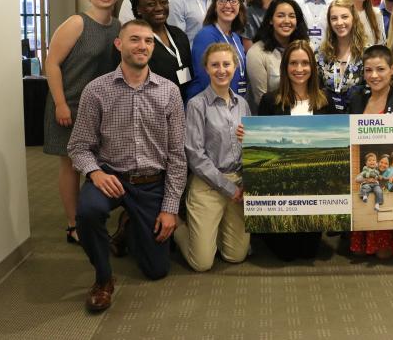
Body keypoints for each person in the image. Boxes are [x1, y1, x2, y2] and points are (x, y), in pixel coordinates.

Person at [68, 20, 186, 312]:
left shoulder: (169, 92)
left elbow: (177, 155)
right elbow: (78, 146)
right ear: (119, 44)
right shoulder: (96, 91)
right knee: (88, 211)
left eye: (148, 41)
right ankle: (103, 279)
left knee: (156, 270)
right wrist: (94, 173)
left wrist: (170, 208)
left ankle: (129, 225)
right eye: (134, 40)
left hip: (151, 183)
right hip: (112, 177)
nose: (142, 46)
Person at [43, 0, 121, 245]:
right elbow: (51, 64)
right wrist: (61, 103)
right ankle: (73, 225)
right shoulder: (77, 23)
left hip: (97, 106)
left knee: (92, 162)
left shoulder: (116, 26)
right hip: (69, 103)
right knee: (71, 165)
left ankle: (89, 218)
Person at [174, 43, 251, 272]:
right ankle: (180, 227)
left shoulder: (243, 104)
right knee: (202, 263)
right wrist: (228, 188)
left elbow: (252, 149)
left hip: (238, 182)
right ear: (206, 69)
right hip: (208, 183)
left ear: (235, 67)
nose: (221, 70)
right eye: (215, 65)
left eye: (226, 64)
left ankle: (212, 233)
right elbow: (195, 156)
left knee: (236, 256)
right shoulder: (197, 105)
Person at [256, 40, 336, 260]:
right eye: (293, 63)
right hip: (282, 186)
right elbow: (262, 147)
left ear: (312, 66)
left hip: (315, 187)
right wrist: (249, 136)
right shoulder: (270, 101)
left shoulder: (325, 100)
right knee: (287, 254)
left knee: (309, 252)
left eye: (305, 63)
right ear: (285, 68)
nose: (299, 69)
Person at [348, 45, 393, 258]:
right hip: (368, 175)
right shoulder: (356, 101)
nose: (374, 75)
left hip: (390, 176)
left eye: (380, 69)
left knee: (384, 254)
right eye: (368, 70)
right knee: (363, 252)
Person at [130, 0, 193, 101]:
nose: (159, 8)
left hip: (184, 104)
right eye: (151, 4)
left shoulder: (180, 35)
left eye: (163, 2)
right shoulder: (136, 43)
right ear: (138, 10)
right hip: (152, 107)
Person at [247, 0, 309, 114]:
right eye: (280, 16)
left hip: (304, 114)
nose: (287, 21)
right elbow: (262, 100)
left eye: (292, 16)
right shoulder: (256, 53)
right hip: (272, 118)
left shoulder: (305, 48)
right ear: (270, 20)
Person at [186, 0, 247, 101]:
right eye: (222, 0)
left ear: (240, 6)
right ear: (215, 6)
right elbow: (205, 77)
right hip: (208, 105)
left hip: (232, 101)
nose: (228, 5)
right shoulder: (206, 36)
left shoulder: (235, 37)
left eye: (233, 1)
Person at [316, 0, 367, 112]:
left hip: (359, 120)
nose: (339, 23)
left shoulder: (367, 54)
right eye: (334, 18)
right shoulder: (320, 54)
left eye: (344, 17)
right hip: (327, 120)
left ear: (354, 18)